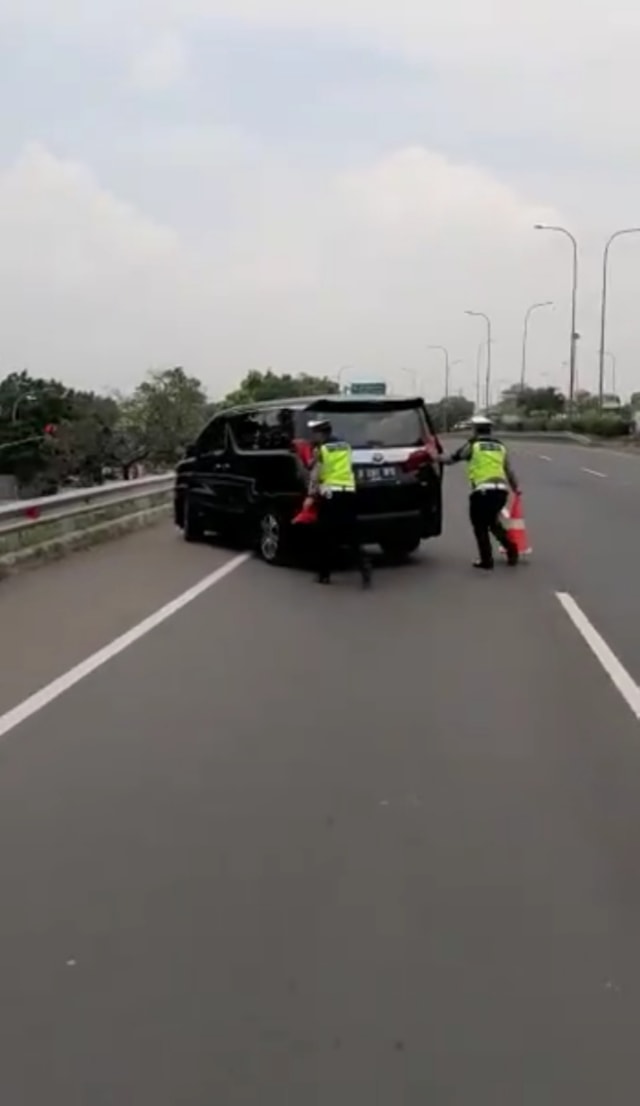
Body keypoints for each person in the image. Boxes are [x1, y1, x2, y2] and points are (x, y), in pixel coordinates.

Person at [437, 415, 520, 570]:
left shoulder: (473, 445)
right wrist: (516, 488)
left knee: (480, 526)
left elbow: (451, 459)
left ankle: (486, 560)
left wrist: (434, 456)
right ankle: (511, 549)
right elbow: (508, 470)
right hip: (501, 492)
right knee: (493, 523)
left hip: (482, 491)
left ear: (475, 430)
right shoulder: (500, 446)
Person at [306, 419, 372, 587]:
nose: (313, 436)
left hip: (331, 494)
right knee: (351, 533)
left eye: (315, 433)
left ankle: (324, 575)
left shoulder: (322, 450)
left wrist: (311, 496)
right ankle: (363, 564)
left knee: (325, 535)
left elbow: (315, 473)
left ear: (321, 434)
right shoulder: (345, 446)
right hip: (349, 492)